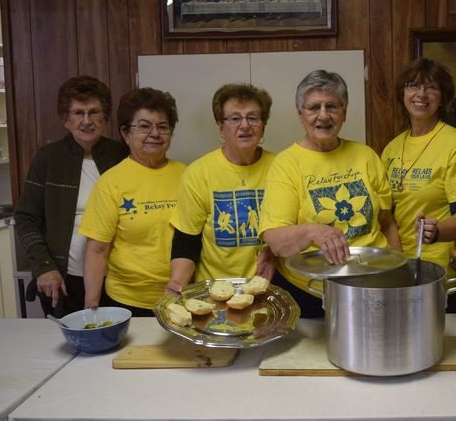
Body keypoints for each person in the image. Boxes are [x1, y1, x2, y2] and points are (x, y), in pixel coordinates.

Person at [259, 70, 400, 317]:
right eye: (314, 107)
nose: (323, 115)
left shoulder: (365, 155)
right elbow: (275, 238)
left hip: (372, 285)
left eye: (332, 106)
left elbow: (387, 223)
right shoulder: (287, 164)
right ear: (300, 113)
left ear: (344, 112)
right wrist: (313, 231)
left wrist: (398, 271)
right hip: (311, 294)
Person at [14, 76, 129, 318]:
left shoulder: (121, 155)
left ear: (105, 117)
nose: (87, 120)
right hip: (65, 278)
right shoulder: (48, 158)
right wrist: (44, 268)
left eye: (94, 112)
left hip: (119, 278)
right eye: (78, 113)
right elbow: (26, 219)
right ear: (66, 120)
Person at [381, 58, 456, 311]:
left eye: (431, 87)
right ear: (402, 93)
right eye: (413, 85)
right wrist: (396, 263)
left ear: (444, 97)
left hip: (441, 273)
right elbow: (386, 217)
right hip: (399, 269)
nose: (421, 94)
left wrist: (437, 231)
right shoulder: (392, 148)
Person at [81, 88, 186, 315]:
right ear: (126, 134)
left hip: (183, 296)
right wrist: (91, 306)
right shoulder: (111, 182)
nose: (155, 133)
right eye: (144, 126)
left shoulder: (188, 176)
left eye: (163, 126)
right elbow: (98, 249)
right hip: (127, 302)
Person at [166, 83, 276, 293]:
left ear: (263, 126)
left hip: (268, 287)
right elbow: (186, 241)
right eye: (235, 118)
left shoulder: (281, 168)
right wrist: (178, 281)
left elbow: (291, 231)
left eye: (253, 117)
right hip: (215, 292)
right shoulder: (199, 173)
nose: (245, 125)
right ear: (221, 127)